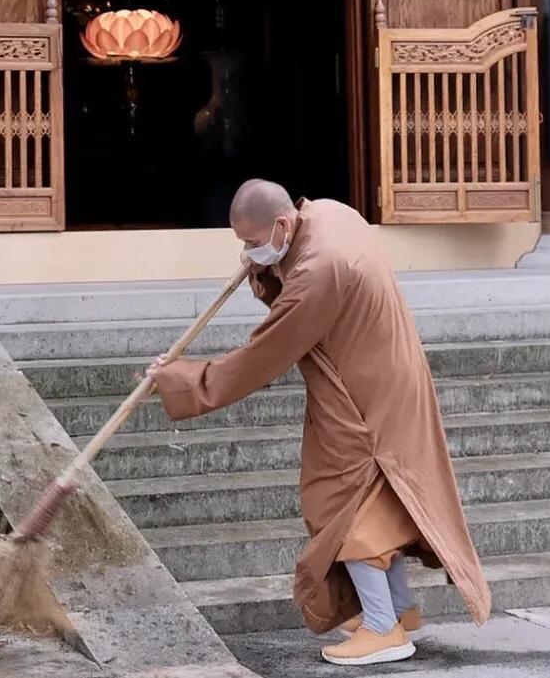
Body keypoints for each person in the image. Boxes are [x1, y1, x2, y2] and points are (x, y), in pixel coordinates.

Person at [147, 181, 491, 666]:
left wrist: (178, 379)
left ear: (283, 225)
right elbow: (298, 305)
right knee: (383, 498)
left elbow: (263, 354)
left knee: (342, 502)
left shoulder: (318, 269)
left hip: (361, 396)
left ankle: (381, 628)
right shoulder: (330, 214)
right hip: (386, 377)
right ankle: (397, 608)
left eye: (252, 243)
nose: (248, 253)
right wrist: (267, 266)